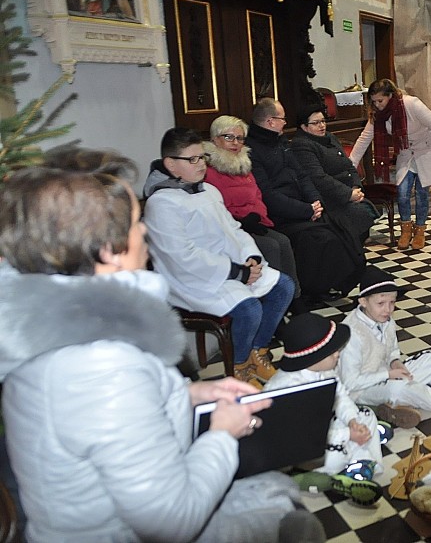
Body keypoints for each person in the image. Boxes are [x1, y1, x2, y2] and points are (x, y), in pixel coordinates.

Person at [0, 165, 322, 542]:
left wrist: (189, 394)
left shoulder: (60, 327)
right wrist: (222, 433)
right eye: (136, 224)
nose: (145, 232)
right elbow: (170, 521)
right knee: (293, 519)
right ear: (109, 251)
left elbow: (102, 420)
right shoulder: (99, 367)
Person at [143, 127, 294, 384]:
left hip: (229, 268)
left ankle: (256, 353)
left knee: (283, 287)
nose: (201, 164)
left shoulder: (208, 191)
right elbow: (181, 256)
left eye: (202, 157)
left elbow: (233, 230)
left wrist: (251, 257)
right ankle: (239, 368)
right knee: (249, 309)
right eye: (192, 160)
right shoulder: (162, 202)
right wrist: (236, 271)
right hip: (191, 280)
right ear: (171, 164)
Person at [246, 98, 365, 299]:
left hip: (304, 206)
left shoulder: (281, 141)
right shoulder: (253, 150)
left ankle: (333, 283)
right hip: (282, 214)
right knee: (322, 239)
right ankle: (310, 291)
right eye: (282, 118)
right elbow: (268, 194)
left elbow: (302, 175)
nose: (285, 122)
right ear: (270, 121)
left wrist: (315, 202)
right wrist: (306, 210)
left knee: (341, 228)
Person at [265, 313, 386, 506]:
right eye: (333, 352)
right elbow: (303, 435)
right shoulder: (287, 388)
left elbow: (341, 397)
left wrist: (352, 421)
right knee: (334, 456)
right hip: (298, 445)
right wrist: (348, 434)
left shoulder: (325, 370)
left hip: (325, 426)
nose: (338, 353)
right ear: (315, 356)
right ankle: (314, 474)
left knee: (365, 415)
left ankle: (362, 464)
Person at [338, 266, 431, 428]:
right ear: (363, 301)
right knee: (399, 389)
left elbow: (392, 350)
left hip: (387, 375)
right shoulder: (351, 333)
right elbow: (350, 382)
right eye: (381, 303)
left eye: (392, 303)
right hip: (361, 389)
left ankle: (400, 403)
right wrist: (388, 374)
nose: (388, 309)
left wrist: (395, 362)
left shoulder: (385, 320)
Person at [203, 114, 304, 308]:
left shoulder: (244, 164)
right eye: (229, 137)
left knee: (283, 241)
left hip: (254, 222)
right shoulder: (208, 171)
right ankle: (272, 303)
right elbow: (215, 207)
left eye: (240, 138)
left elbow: (257, 195)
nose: (235, 143)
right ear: (215, 139)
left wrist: (257, 216)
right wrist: (242, 222)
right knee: (270, 246)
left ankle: (294, 297)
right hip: (230, 229)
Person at [348, 79, 431, 250]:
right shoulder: (378, 115)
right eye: (374, 101)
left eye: (380, 101)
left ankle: (420, 230)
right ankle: (406, 229)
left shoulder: (412, 104)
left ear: (390, 96)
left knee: (422, 193)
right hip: (406, 153)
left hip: (426, 150)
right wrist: (351, 164)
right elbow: (364, 138)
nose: (377, 105)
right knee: (403, 192)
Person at [289, 105, 377, 244]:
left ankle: (355, 252)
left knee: (364, 210)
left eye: (323, 121)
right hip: (330, 199)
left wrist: (355, 187)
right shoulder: (302, 145)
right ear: (304, 127)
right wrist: (348, 194)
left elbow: (349, 165)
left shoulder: (330, 137)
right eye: (316, 123)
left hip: (347, 193)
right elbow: (318, 178)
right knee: (358, 214)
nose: (322, 126)